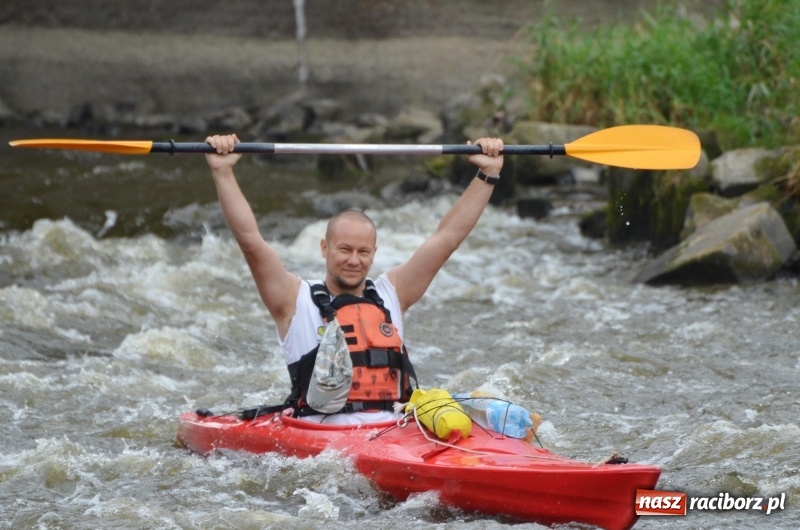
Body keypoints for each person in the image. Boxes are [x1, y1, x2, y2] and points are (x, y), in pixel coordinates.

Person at [205, 133, 504, 424]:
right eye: (344, 249)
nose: (353, 260)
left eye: (363, 252)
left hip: (392, 430)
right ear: (324, 248)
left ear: (374, 253)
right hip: (322, 435)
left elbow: (446, 238)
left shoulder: (392, 293)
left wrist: (487, 174)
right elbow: (251, 241)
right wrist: (222, 171)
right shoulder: (293, 300)